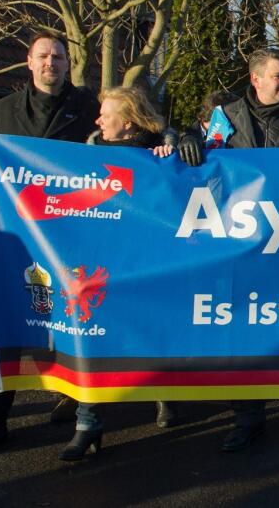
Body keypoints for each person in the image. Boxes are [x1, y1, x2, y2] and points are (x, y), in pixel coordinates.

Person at [176, 47, 279, 452]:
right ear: (256, 79)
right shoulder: (224, 117)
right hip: (241, 242)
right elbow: (206, 156)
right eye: (278, 76)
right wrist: (188, 142)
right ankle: (248, 416)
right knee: (244, 331)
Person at [0, 31, 100, 446]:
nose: (50, 63)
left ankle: (73, 397)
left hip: (75, 233)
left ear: (68, 64)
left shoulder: (90, 108)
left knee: (75, 318)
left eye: (57, 56)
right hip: (20, 236)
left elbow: (121, 146)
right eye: (43, 56)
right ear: (29, 62)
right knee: (11, 320)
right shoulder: (1, 111)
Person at [61, 86, 173, 461]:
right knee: (93, 339)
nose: (97, 120)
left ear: (126, 122)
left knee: (149, 335)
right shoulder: (84, 157)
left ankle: (162, 395)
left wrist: (175, 142)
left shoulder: (159, 153)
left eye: (104, 114)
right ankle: (87, 425)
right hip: (100, 265)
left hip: (147, 263)